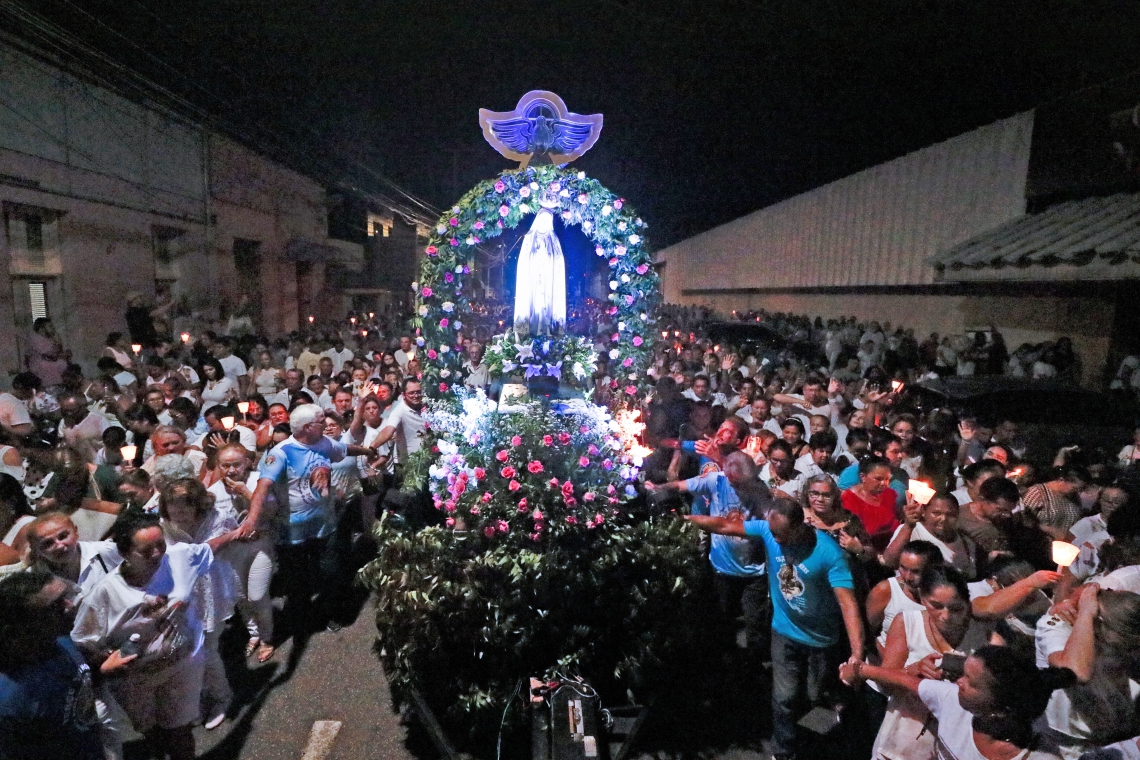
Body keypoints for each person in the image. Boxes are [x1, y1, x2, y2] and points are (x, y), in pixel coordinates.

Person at [687, 494, 865, 760]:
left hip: (820, 638)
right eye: (773, 533)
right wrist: (685, 520)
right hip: (784, 631)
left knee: (814, 694)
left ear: (799, 526)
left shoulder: (829, 553)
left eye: (782, 534)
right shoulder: (768, 531)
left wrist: (857, 654)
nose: (776, 540)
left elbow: (847, 604)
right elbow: (724, 525)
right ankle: (784, 751)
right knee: (784, 697)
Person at [71, 511, 212, 760]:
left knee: (180, 731)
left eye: (160, 545)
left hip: (182, 668)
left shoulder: (178, 558)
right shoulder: (104, 594)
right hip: (136, 682)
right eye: (146, 551)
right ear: (124, 553)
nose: (157, 554)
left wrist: (242, 530)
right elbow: (82, 641)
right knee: (152, 733)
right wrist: (104, 662)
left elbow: (208, 550)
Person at [238, 404, 377, 640]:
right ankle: (302, 621)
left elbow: (344, 448)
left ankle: (334, 613)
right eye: (321, 421)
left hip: (326, 526)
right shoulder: (281, 454)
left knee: (331, 572)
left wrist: (367, 450)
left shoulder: (323, 442)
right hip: (292, 533)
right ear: (306, 428)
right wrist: (251, 520)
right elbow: (263, 486)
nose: (326, 424)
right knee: (298, 581)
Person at [841, 645, 1070, 760]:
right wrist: (859, 670)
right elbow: (908, 681)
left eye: (970, 682)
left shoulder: (1042, 756)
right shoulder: (952, 700)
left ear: (1000, 707)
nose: (958, 681)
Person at [648, 451, 770, 659]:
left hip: (753, 571)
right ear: (727, 474)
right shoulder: (716, 481)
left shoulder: (759, 489)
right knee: (723, 620)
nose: (740, 488)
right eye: (737, 483)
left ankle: (754, 666)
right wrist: (659, 489)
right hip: (722, 569)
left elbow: (768, 520)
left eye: (744, 483)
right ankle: (725, 663)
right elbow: (680, 485)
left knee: (755, 624)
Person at [871, 565, 992, 760]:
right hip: (903, 739)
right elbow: (886, 684)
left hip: (953, 742)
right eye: (936, 606)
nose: (946, 616)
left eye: (956, 608)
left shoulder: (981, 633)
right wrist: (914, 669)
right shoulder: (907, 623)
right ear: (922, 599)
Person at [157, 478, 242, 730]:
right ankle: (201, 694)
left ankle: (222, 697)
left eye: (184, 506)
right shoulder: (164, 525)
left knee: (206, 649)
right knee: (189, 650)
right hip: (180, 592)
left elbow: (207, 550)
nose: (177, 512)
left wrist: (232, 536)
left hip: (211, 589)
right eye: (172, 506)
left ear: (198, 504)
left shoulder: (218, 518)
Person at [0, 570, 105, 760]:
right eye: (56, 605)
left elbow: (74, 687)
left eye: (66, 597)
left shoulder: (61, 641)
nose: (70, 605)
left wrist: (101, 670)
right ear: (26, 623)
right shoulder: (11, 699)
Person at [1036, 584, 1140, 758]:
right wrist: (1086, 613)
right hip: (1070, 741)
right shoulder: (1057, 623)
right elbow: (1075, 672)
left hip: (1122, 732)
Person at [208, 444, 276, 662]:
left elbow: (272, 513)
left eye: (235, 464)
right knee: (240, 597)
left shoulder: (260, 480)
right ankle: (254, 634)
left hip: (259, 544)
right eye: (225, 465)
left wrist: (247, 493)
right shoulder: (214, 491)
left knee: (257, 595)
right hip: (232, 550)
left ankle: (267, 638)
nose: (230, 470)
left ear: (246, 462)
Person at [866, 539, 944, 653]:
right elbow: (867, 635)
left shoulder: (945, 595)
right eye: (903, 568)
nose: (907, 577)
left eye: (915, 571)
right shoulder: (885, 590)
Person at [884, 492, 977, 579]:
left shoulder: (967, 543)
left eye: (950, 515)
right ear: (924, 512)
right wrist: (908, 526)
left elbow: (971, 576)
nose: (943, 519)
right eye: (936, 513)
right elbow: (889, 562)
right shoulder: (912, 531)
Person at [841, 455, 900, 553]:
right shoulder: (850, 499)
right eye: (878, 479)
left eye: (887, 479)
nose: (884, 483)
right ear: (863, 476)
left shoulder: (889, 493)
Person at [28, 317, 68, 389]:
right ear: (42, 328)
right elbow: (52, 355)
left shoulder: (49, 339)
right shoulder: (37, 339)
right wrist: (58, 341)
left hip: (53, 371)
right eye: (50, 326)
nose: (53, 328)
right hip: (44, 373)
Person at [0, 372, 36, 439]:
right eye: (30, 389)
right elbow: (25, 431)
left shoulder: (3, 396)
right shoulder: (15, 404)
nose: (32, 393)